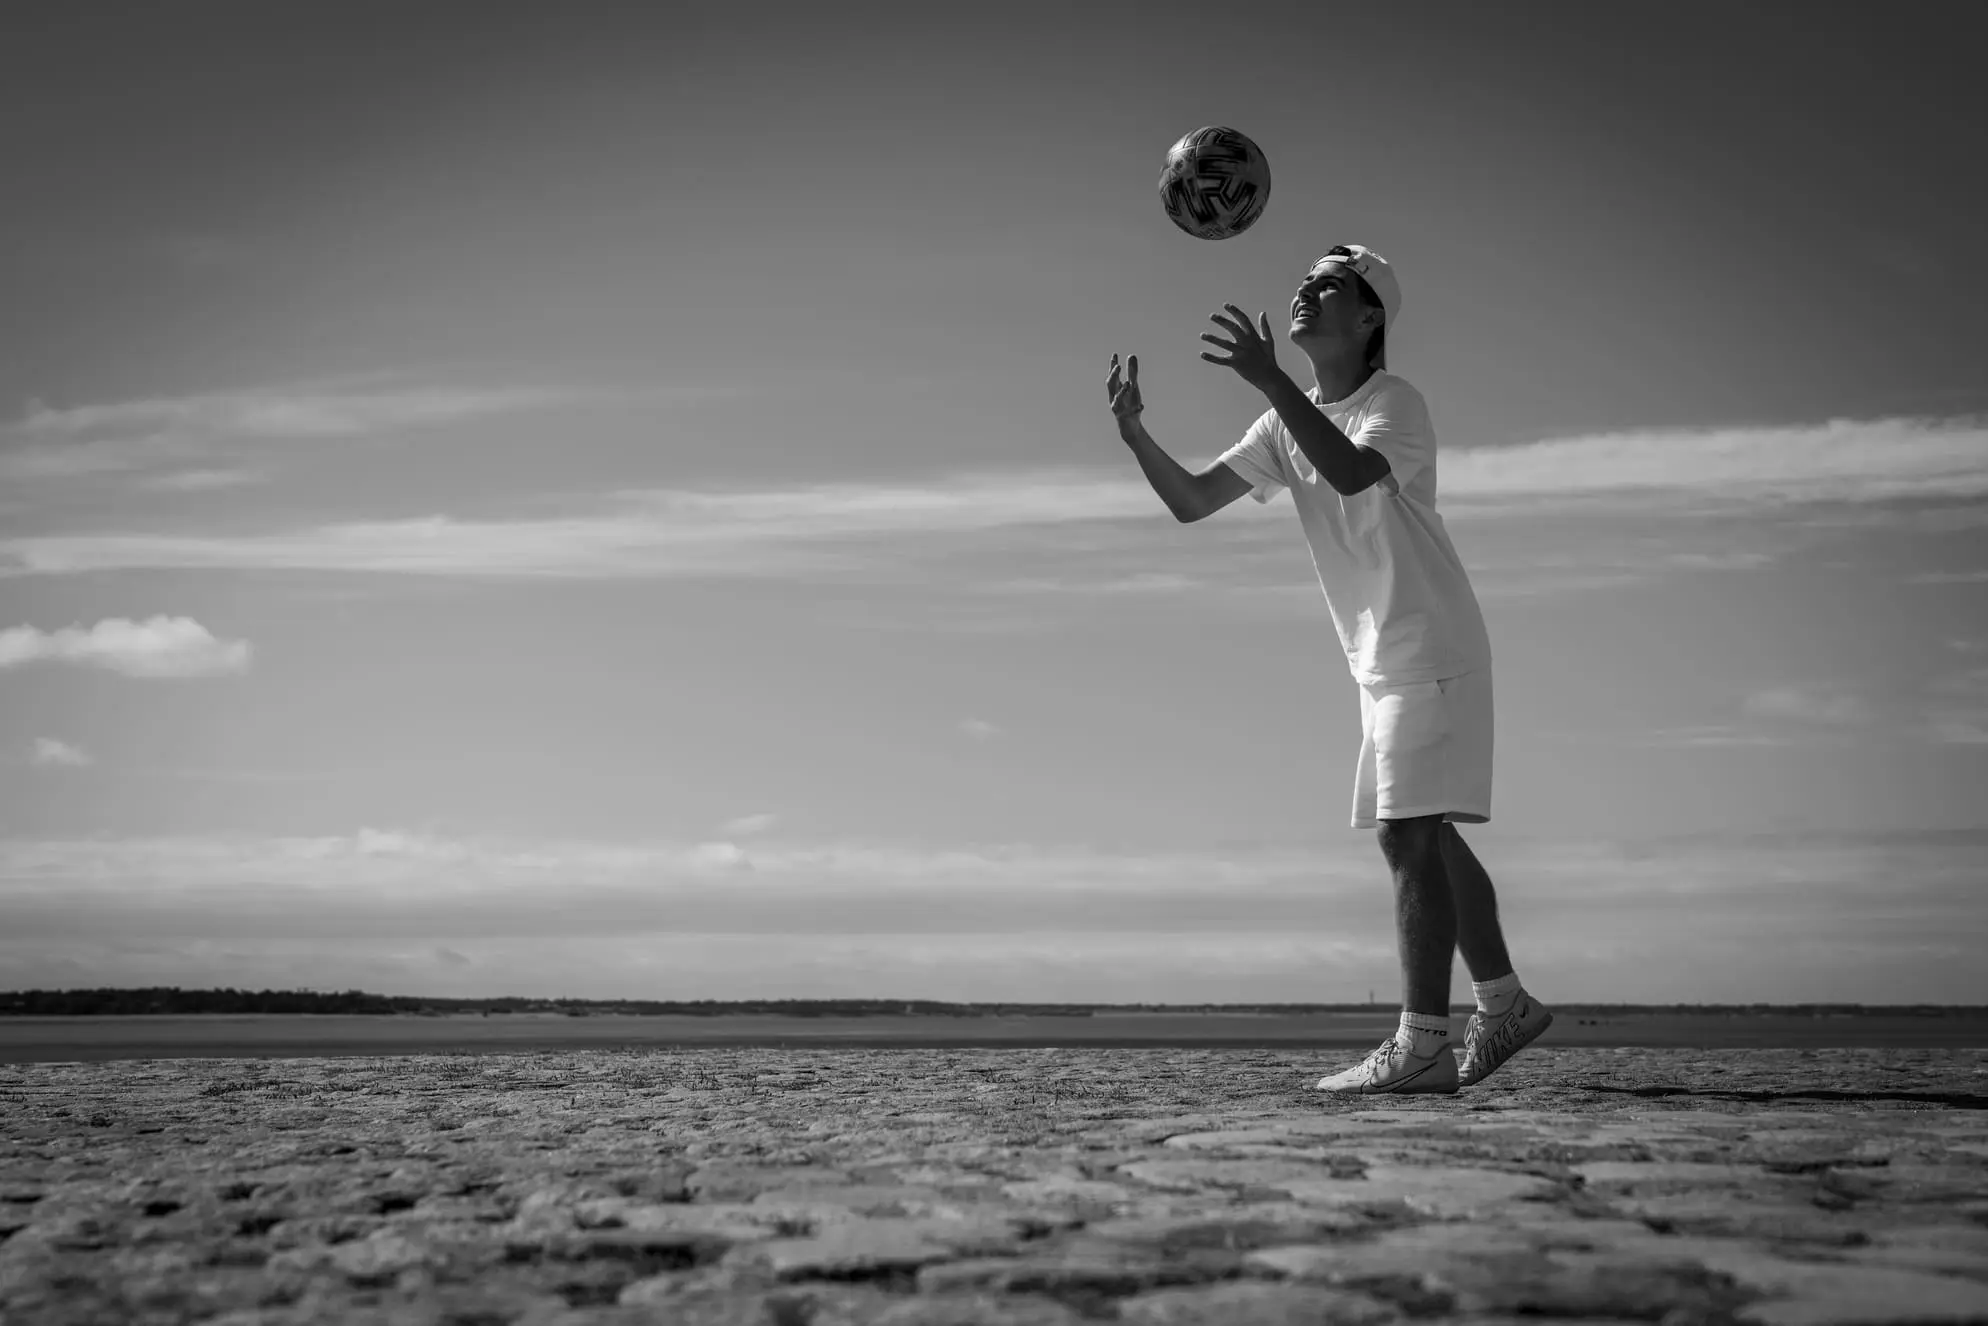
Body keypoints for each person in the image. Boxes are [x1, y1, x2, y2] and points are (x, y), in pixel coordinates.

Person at [1105, 244, 1552, 1093]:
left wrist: (1272, 381)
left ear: (1372, 315)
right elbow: (1192, 501)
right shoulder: (1288, 418)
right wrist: (1135, 434)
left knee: (1405, 832)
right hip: (1380, 658)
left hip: (1432, 646)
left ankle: (1423, 1044)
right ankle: (1505, 1006)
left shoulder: (1396, 403)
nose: (1306, 292)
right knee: (1428, 832)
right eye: (1304, 282)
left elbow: (1351, 475)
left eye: (1330, 285)